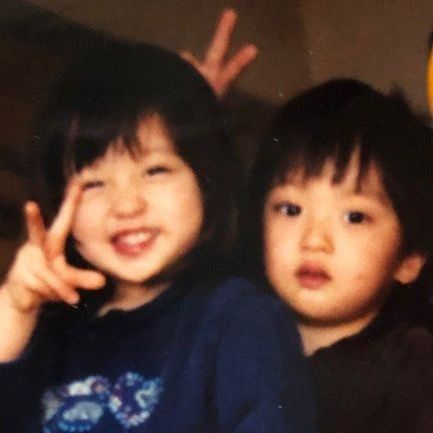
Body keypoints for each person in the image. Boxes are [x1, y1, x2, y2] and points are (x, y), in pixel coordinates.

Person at [0, 42, 316, 432]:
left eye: (155, 171)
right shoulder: (49, 332)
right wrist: (13, 309)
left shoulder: (237, 319)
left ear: (207, 179)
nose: (126, 205)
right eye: (94, 183)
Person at [243, 78, 433, 433]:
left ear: (408, 260)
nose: (314, 240)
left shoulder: (414, 368)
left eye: (354, 217)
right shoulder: (232, 338)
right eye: (290, 209)